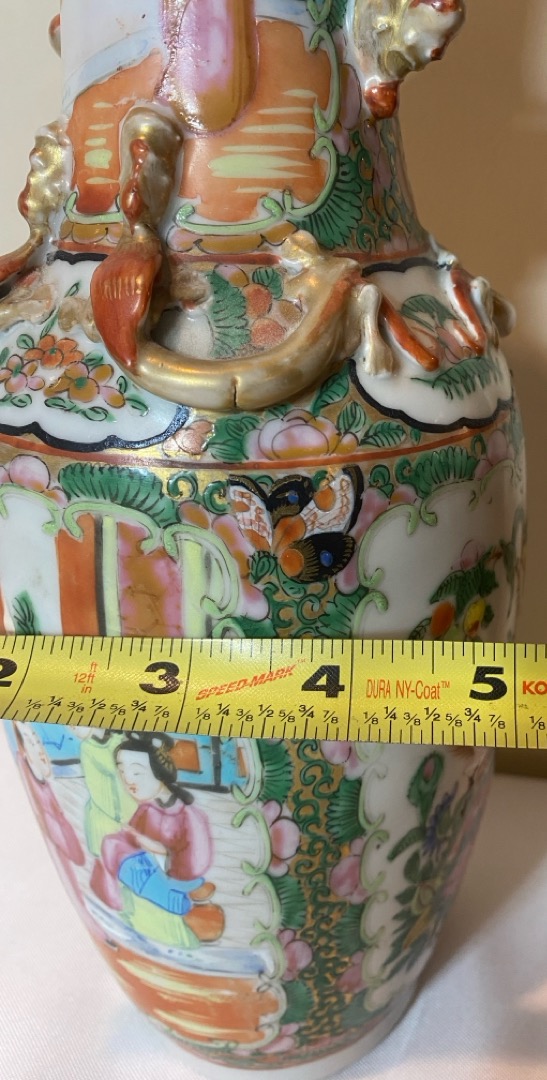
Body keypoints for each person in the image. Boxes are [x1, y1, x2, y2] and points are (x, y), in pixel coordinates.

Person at [90, 732, 223, 945]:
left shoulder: (189, 817)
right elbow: (130, 839)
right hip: (150, 868)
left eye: (136, 772)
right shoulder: (147, 809)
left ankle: (171, 899)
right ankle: (113, 911)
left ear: (159, 771)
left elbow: (194, 863)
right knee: (112, 844)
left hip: (178, 878)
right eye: (122, 772)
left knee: (116, 850)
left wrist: (153, 848)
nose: (129, 781)